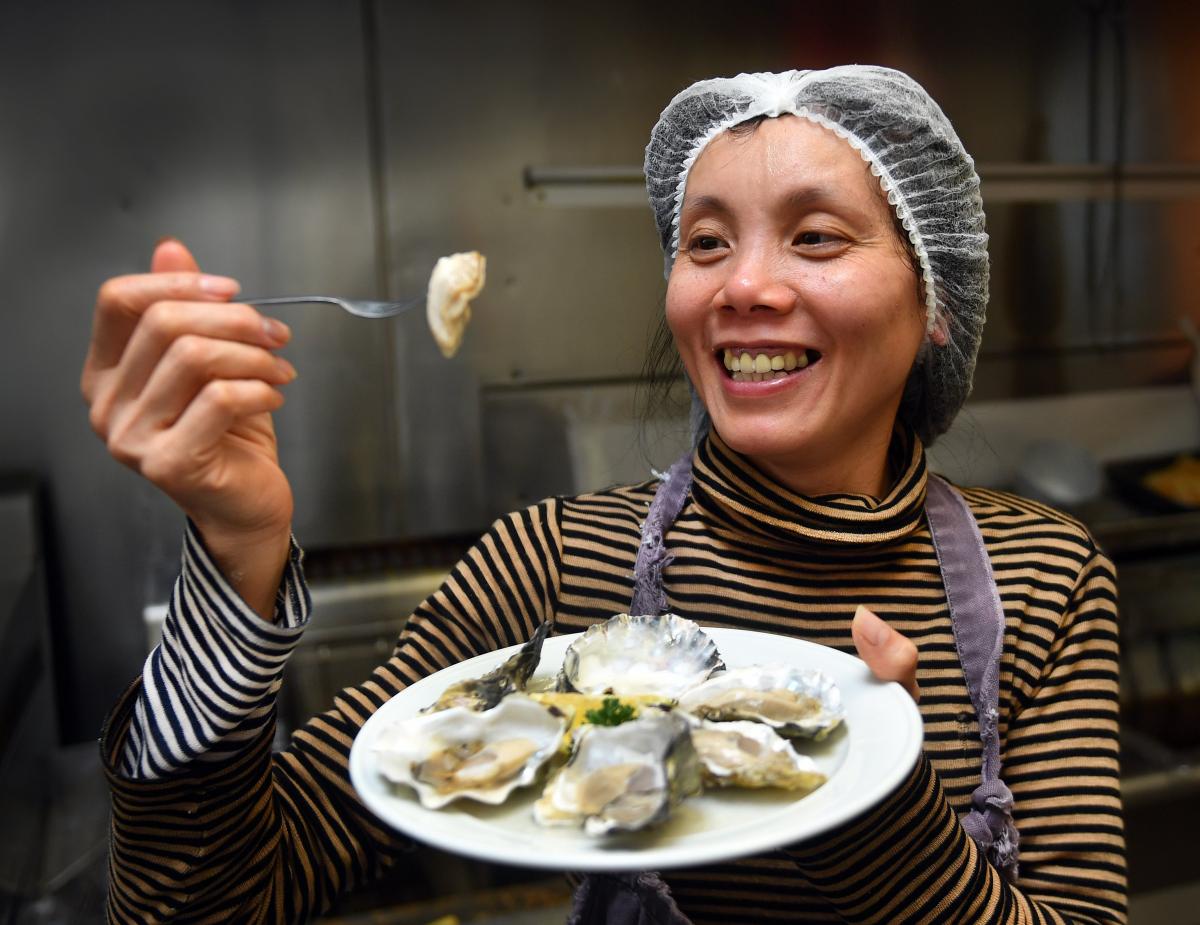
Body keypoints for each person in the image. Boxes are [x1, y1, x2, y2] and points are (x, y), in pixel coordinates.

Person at [83, 67, 1126, 924]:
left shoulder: (1044, 579)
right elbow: (210, 899)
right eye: (706, 241)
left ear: (935, 298)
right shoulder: (550, 561)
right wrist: (237, 549)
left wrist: (870, 795)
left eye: (814, 236)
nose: (740, 286)